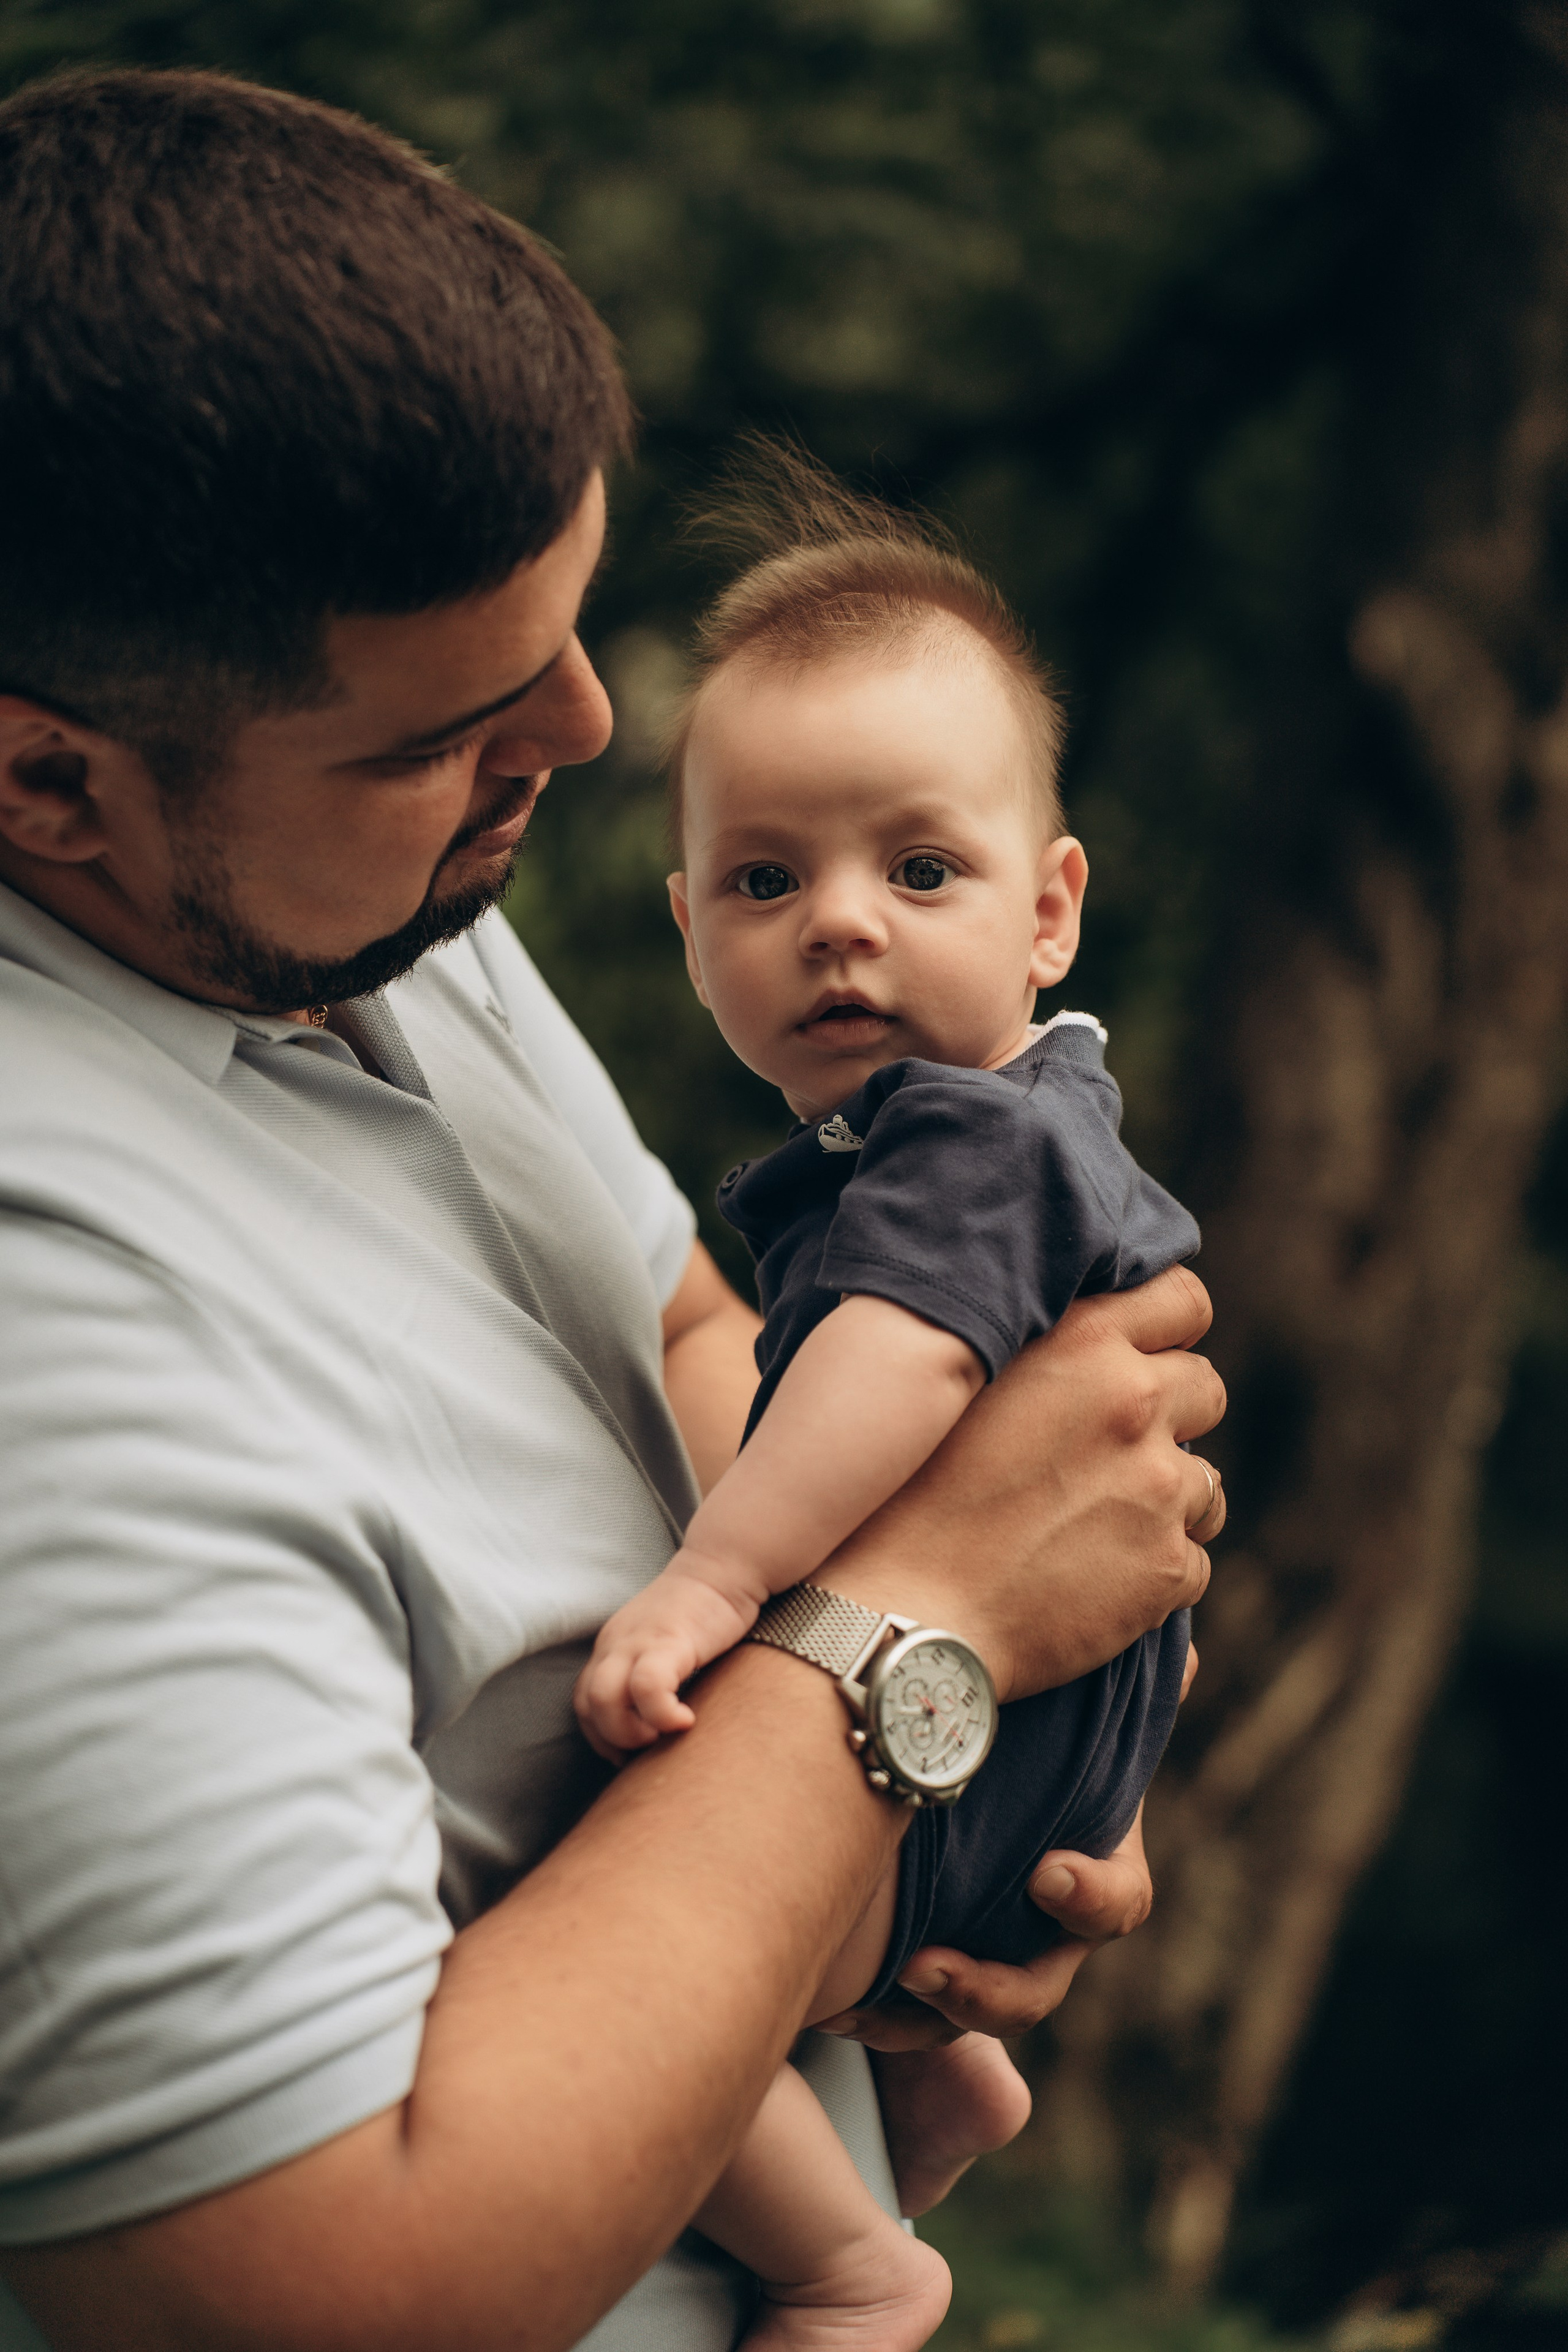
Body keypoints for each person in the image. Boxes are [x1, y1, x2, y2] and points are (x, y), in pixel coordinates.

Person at [0, 68, 1225, 2352]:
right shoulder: (39, 1329)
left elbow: (673, 1320)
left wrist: (993, 1733)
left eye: (562, 633)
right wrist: (919, 1646)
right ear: (51, 780)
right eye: (443, 728)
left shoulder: (342, 885)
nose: (572, 733)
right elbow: (315, 2300)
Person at [573, 456, 1203, 2346]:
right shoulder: (985, 1129)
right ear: (689, 924)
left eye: (920, 870)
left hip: (975, 1740)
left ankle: (852, 2270)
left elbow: (905, 1356)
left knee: (641, 1984)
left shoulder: (972, 1143)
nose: (838, 923)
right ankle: (943, 2097)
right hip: (1039, 1731)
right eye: (766, 880)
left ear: (1050, 909)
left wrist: (712, 1577)